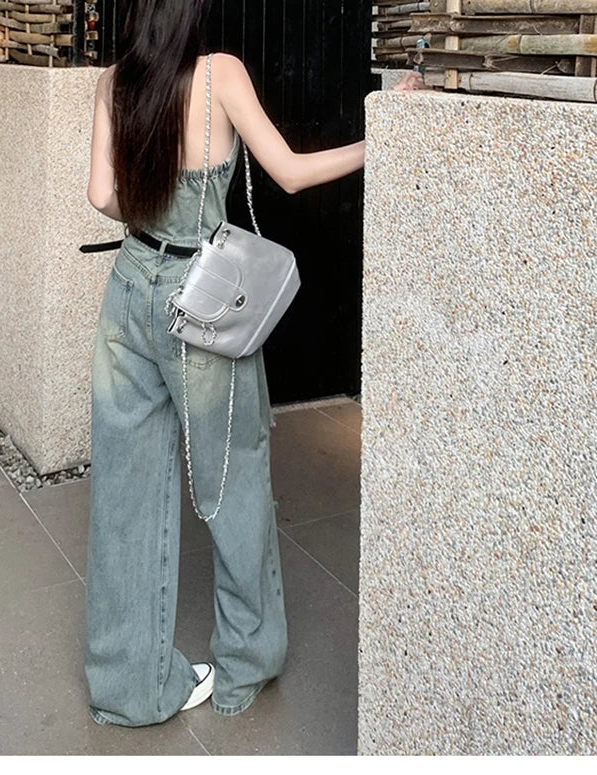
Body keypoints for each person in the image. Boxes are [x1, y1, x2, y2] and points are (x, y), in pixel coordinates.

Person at [84, 0, 424, 728]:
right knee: (231, 479)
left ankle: (128, 687)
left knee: (124, 491)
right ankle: (244, 663)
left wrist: (153, 210)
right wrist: (381, 137)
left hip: (128, 288)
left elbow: (102, 195)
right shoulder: (220, 76)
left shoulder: (113, 82)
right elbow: (291, 174)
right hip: (203, 299)